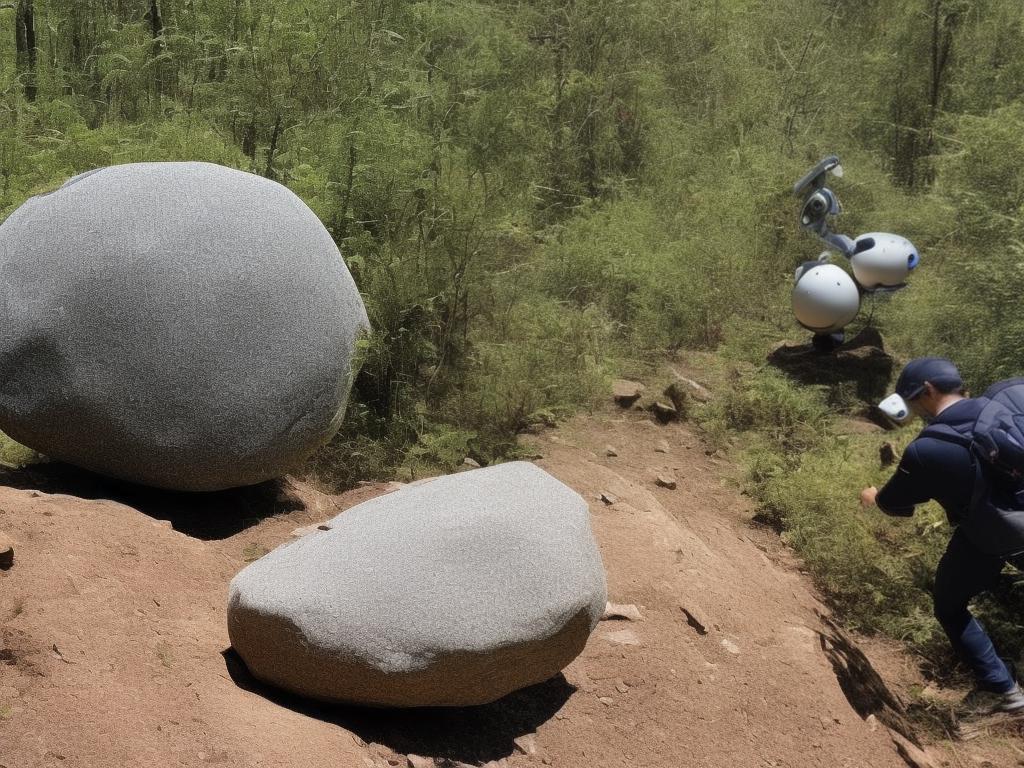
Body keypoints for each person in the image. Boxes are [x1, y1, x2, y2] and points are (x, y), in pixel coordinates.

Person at [860, 357, 1024, 716]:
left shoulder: (927, 449)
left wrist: (873, 497)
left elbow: (896, 506)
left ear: (928, 392)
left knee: (949, 606)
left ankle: (1004, 691)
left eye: (913, 402)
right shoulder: (1009, 406)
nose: (915, 411)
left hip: (994, 534)